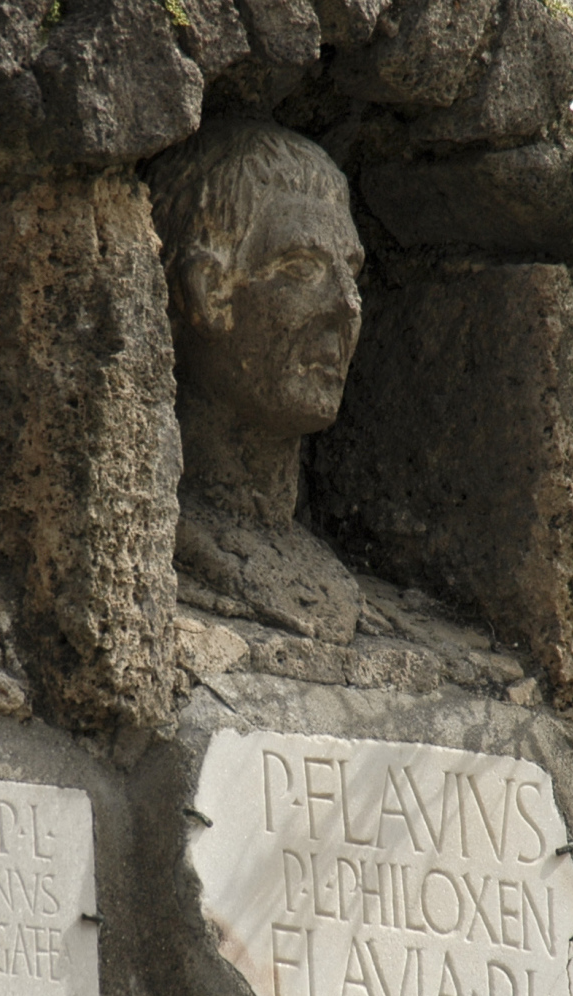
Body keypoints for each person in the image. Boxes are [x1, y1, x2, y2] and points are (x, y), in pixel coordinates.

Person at [147, 119, 365, 643]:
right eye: (303, 268)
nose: (347, 306)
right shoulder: (151, 547)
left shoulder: (333, 581)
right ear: (207, 291)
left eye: (352, 273)